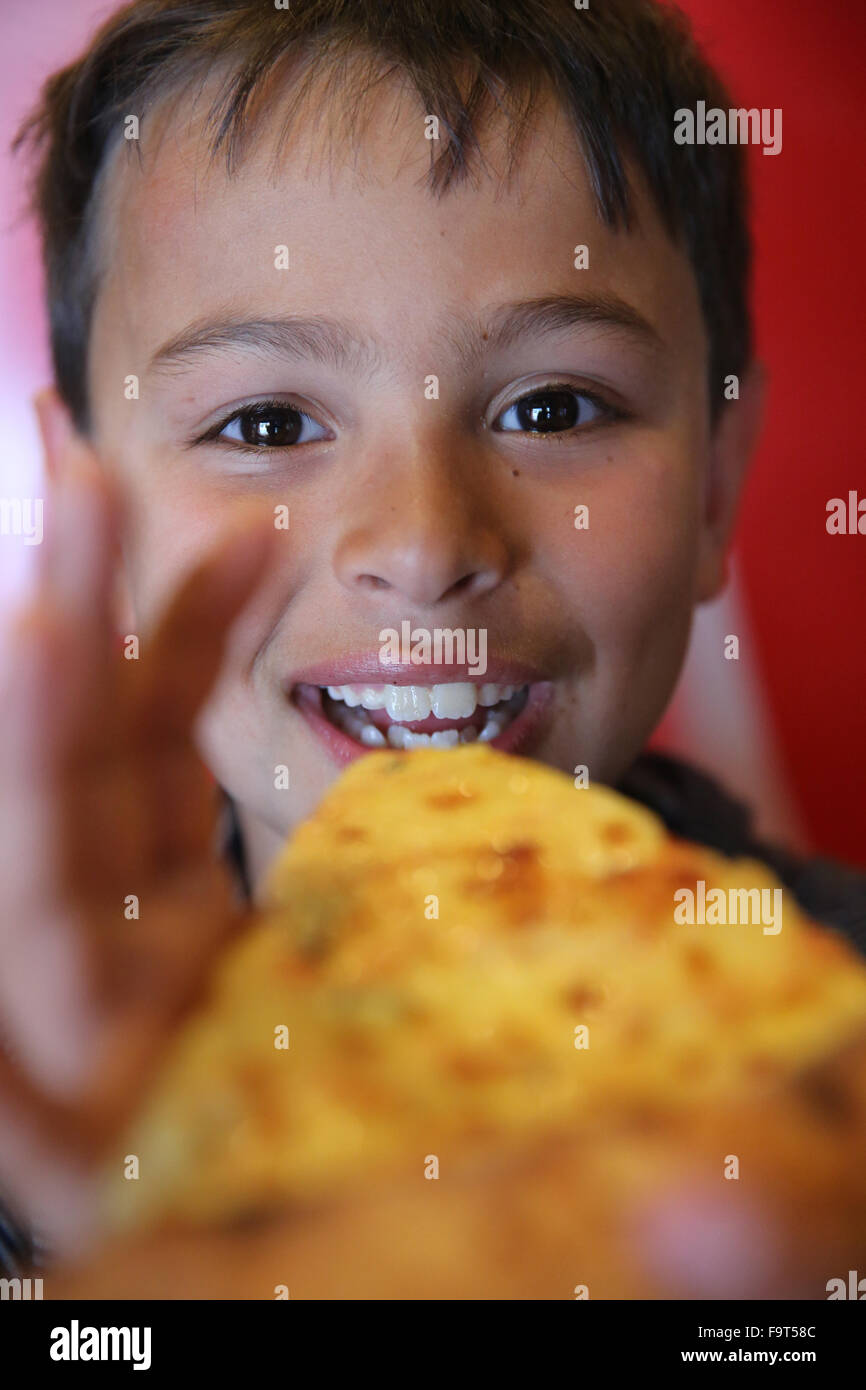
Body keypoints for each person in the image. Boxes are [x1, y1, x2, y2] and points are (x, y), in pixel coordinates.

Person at [1, 0, 863, 1281]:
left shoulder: (827, 1067)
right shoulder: (38, 1091)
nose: (420, 541)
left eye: (552, 404)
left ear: (711, 491)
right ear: (91, 504)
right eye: (265, 425)